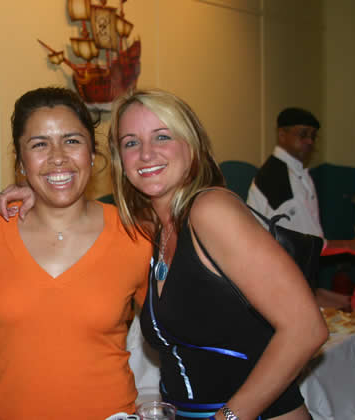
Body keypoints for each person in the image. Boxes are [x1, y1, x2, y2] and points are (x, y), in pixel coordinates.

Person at [109, 90, 328, 419]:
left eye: (162, 136)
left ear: (192, 145)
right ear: (120, 161)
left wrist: (228, 417)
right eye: (131, 143)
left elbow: (307, 329)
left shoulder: (211, 210)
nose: (146, 153)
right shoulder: (155, 229)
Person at [0, 87, 152, 420]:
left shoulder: (134, 236)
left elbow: (180, 332)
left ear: (92, 153)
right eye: (39, 144)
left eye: (72, 141)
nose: (58, 157)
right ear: (20, 161)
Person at [247, 107, 355, 309]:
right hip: (275, 291)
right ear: (282, 134)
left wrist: (350, 302)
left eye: (313, 136)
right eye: (303, 134)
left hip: (289, 287)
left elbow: (306, 282)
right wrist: (350, 245)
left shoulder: (297, 174)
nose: (309, 141)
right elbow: (306, 244)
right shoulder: (279, 179)